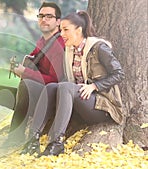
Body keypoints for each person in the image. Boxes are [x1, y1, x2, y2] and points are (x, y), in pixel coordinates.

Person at [0, 2, 65, 147]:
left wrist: (26, 72)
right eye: (40, 16)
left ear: (58, 21)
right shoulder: (42, 41)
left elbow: (55, 80)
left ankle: (16, 137)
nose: (43, 19)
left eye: (49, 16)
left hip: (47, 103)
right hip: (29, 97)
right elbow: (33, 63)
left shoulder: (59, 45)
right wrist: (19, 68)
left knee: (26, 84)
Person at [22, 10, 126, 156]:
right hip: (81, 102)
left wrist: (94, 86)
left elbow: (119, 74)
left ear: (79, 30)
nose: (61, 34)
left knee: (65, 87)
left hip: (102, 106)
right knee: (52, 87)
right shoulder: (69, 51)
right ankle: (32, 141)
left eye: (66, 30)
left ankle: (57, 143)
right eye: (60, 30)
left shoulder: (98, 48)